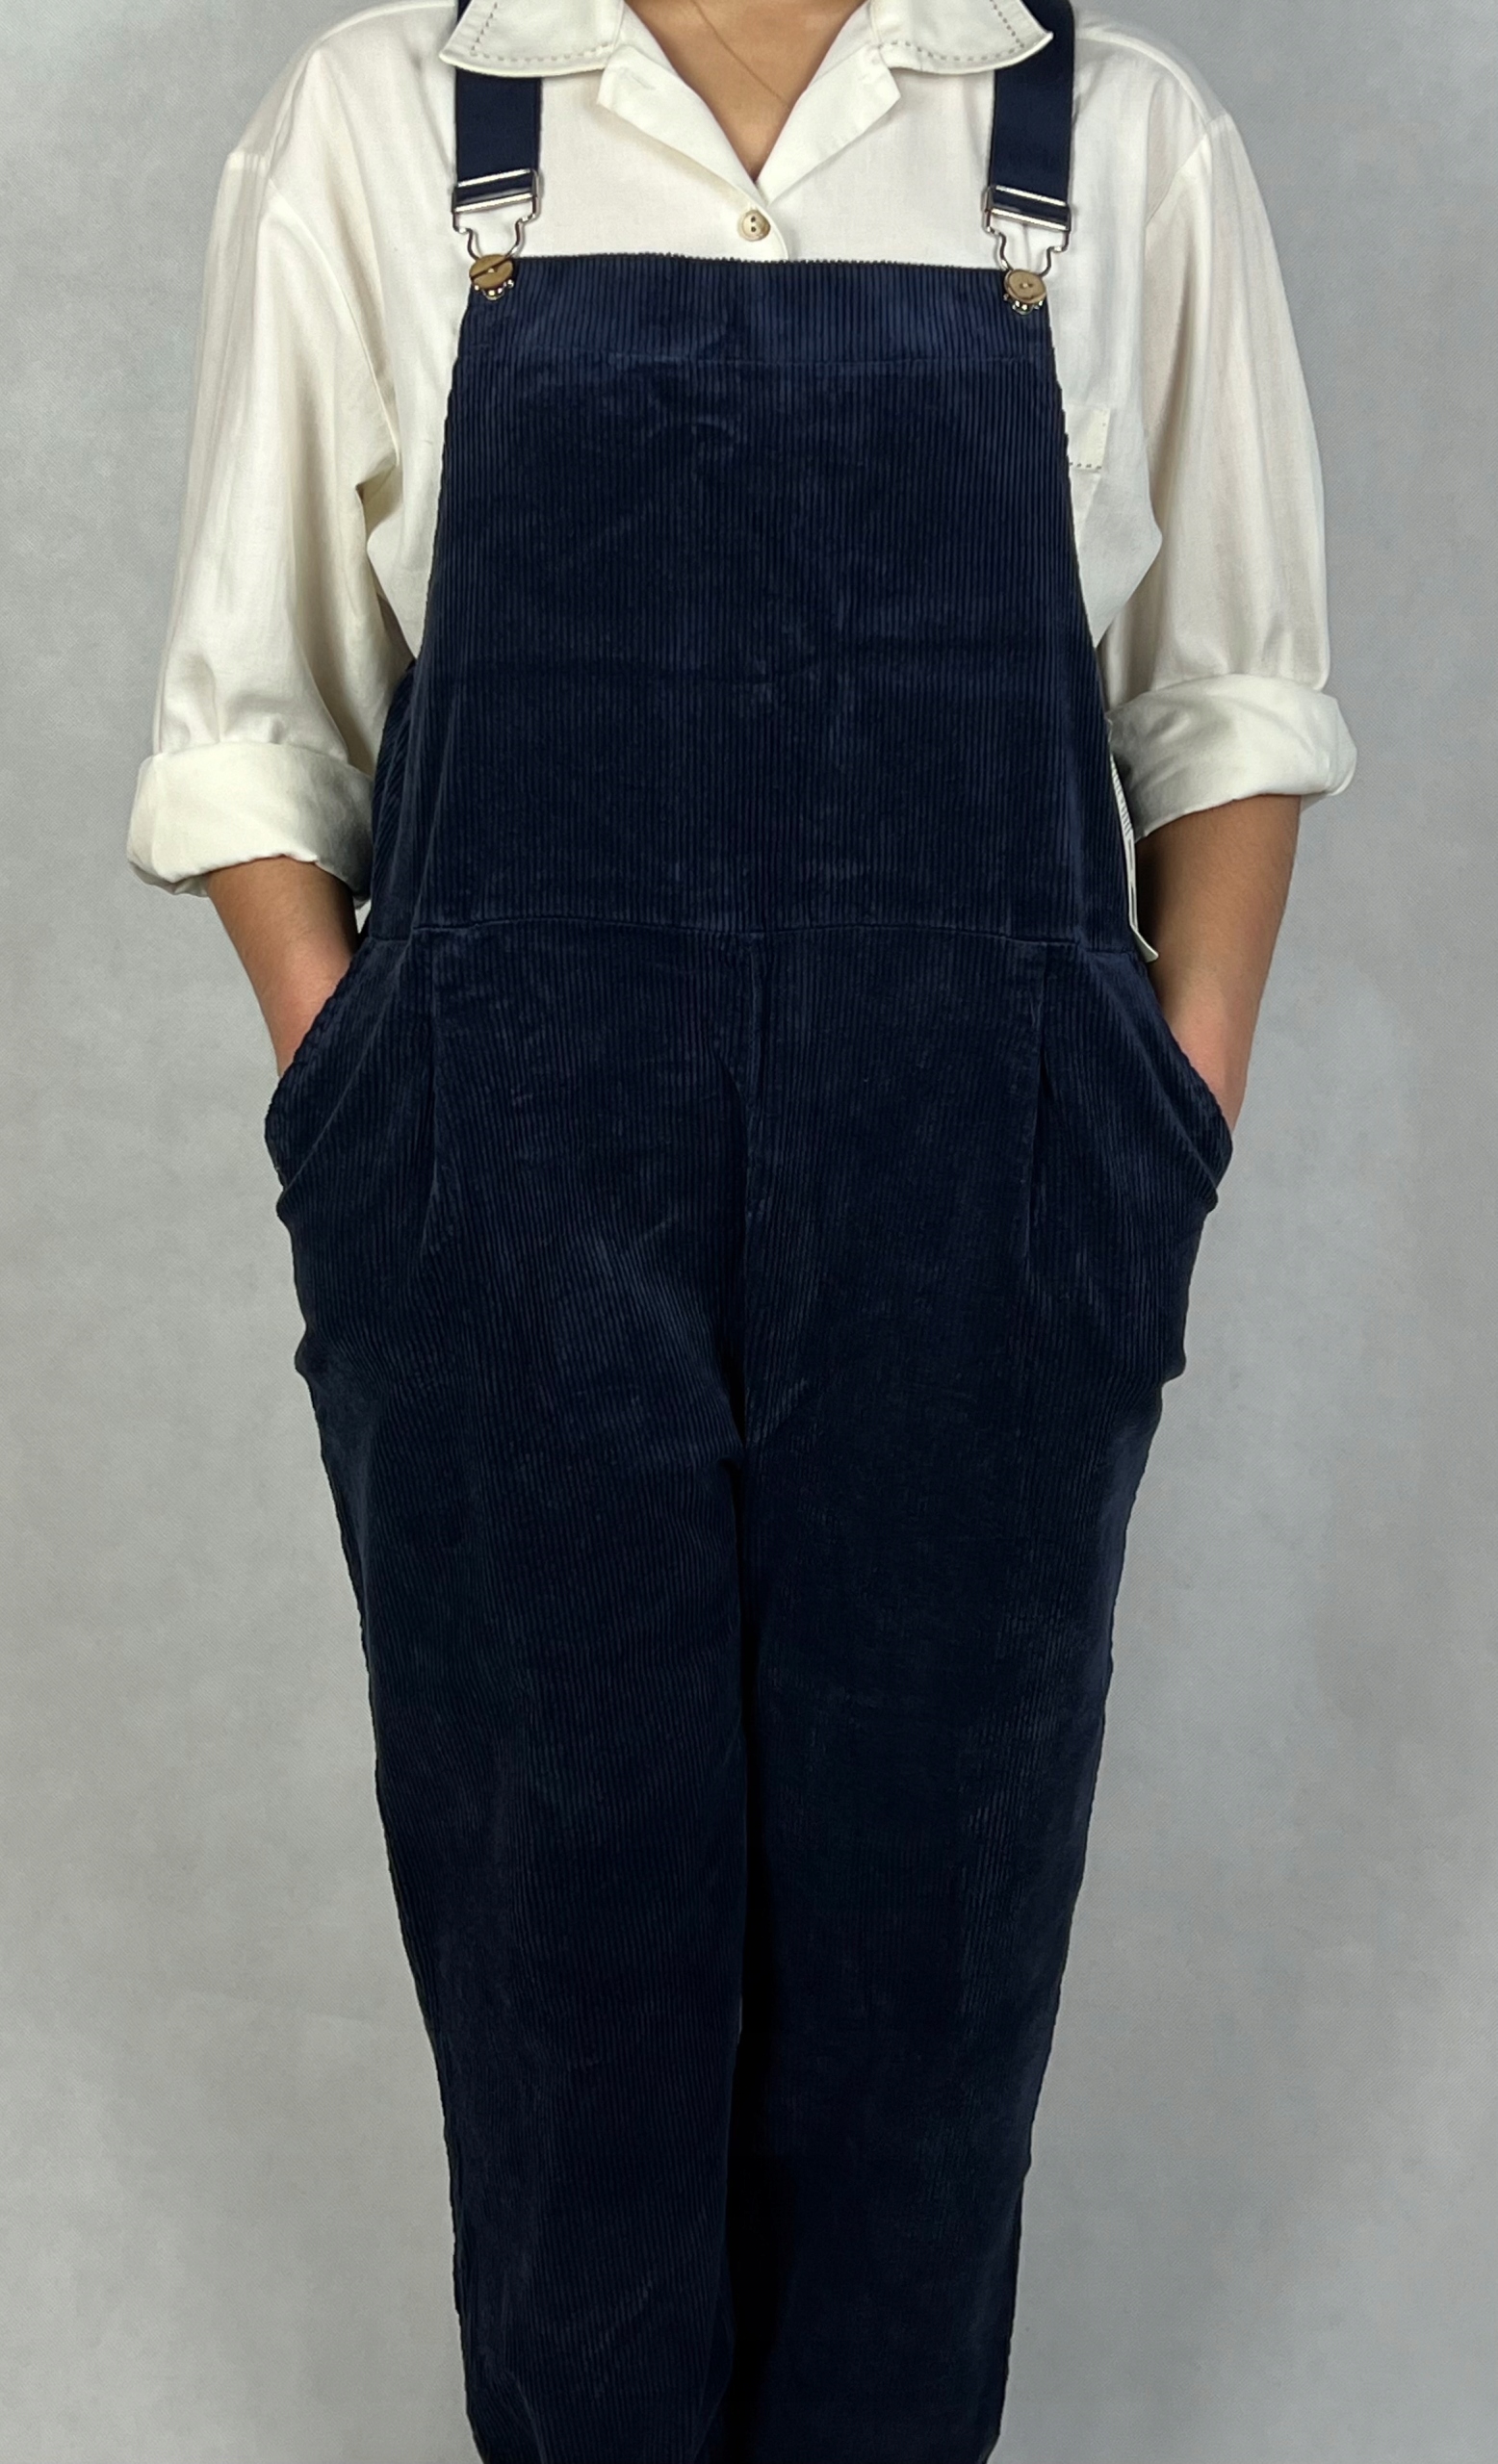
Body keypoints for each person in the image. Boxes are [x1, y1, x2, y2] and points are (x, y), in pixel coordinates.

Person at [126, 1, 1356, 2456]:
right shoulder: (388, 126)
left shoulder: (1118, 146)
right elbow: (251, 715)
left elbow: (1225, 693)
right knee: (563, 1993)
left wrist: (1166, 1100)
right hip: (505, 1196)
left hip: (984, 1201)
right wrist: (364, 1085)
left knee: (928, 2005)